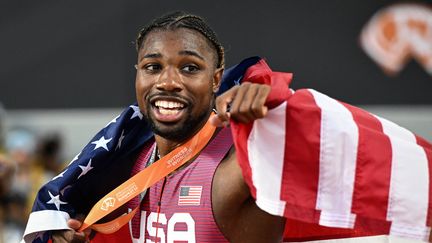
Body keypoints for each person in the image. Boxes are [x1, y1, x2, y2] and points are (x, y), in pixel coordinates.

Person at [23, 11, 432, 243]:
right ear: (137, 76)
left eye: (190, 67)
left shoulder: (241, 168)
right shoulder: (120, 166)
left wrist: (271, 111)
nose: (168, 81)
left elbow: (309, 155)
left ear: (217, 80)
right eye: (153, 67)